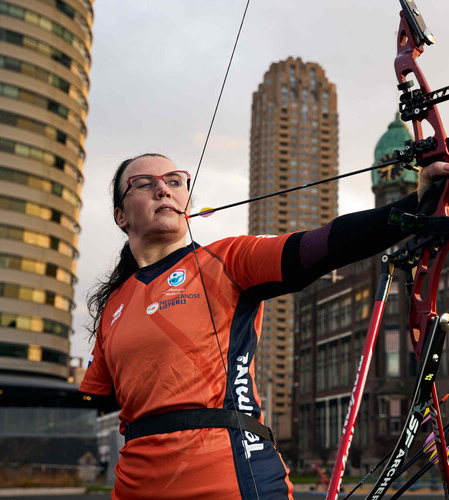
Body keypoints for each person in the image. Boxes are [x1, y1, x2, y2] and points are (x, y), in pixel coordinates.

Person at [80, 153, 449, 499]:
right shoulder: (114, 305)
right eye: (144, 183)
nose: (163, 188)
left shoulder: (228, 260)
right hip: (134, 486)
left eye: (175, 181)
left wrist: (413, 207)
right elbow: (94, 401)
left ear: (187, 204)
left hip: (231, 477)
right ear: (120, 216)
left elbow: (323, 245)